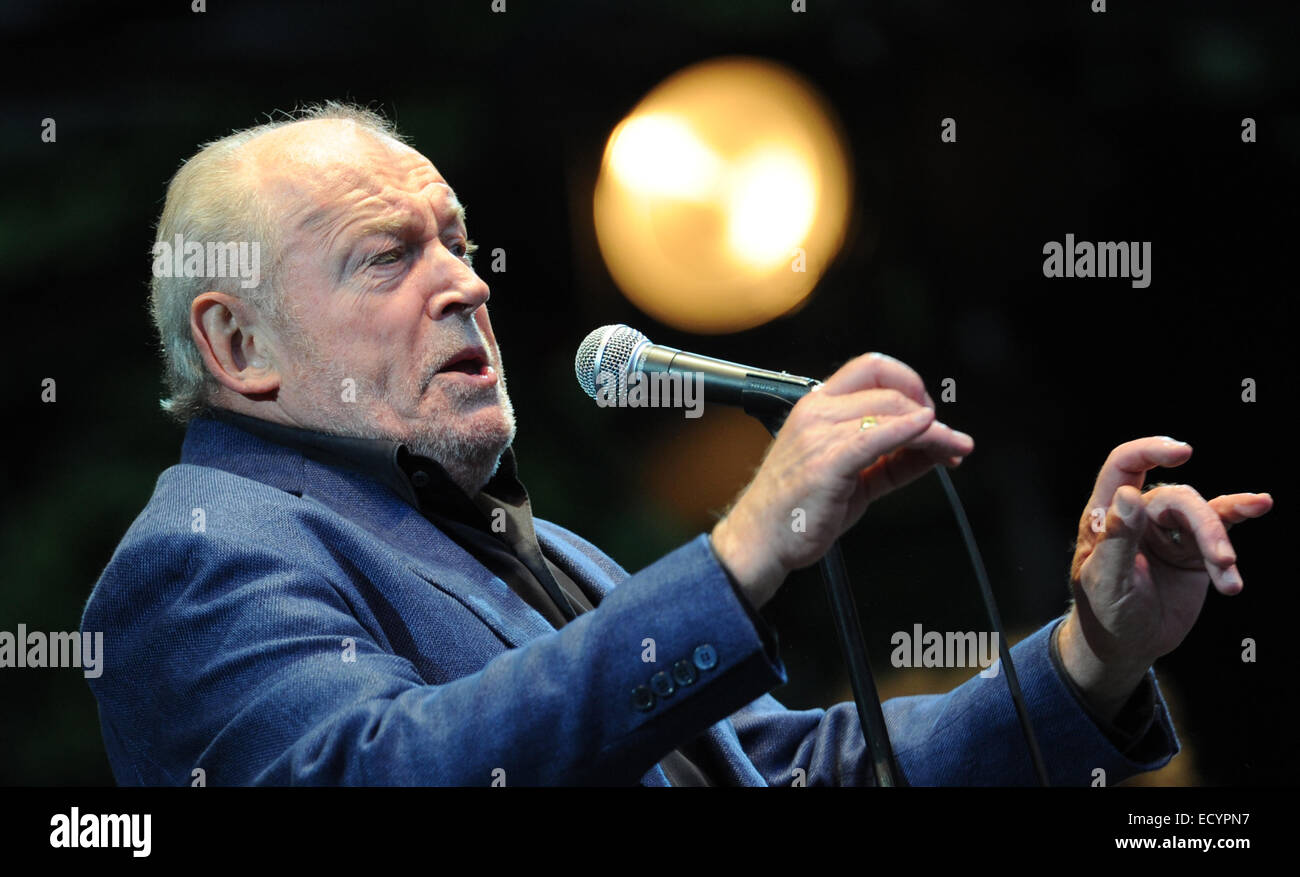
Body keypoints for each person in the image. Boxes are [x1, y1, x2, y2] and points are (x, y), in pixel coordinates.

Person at [81, 103, 1272, 786]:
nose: (464, 284)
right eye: (388, 256)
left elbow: (791, 775)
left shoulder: (571, 561)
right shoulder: (199, 557)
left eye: (459, 241)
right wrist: (742, 548)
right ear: (238, 341)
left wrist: (1090, 656)